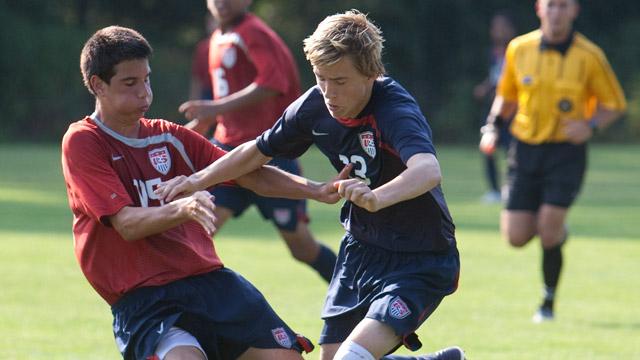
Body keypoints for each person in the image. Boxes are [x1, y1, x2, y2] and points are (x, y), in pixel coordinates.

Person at [157, 10, 465, 360]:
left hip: (419, 256)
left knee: (351, 358)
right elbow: (255, 152)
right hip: (361, 248)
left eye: (340, 81)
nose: (329, 92)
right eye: (321, 78)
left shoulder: (394, 108)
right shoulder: (314, 105)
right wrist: (197, 179)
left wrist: (377, 197)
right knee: (333, 357)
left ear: (370, 74)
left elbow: (427, 170)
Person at [61, 25, 348, 360]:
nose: (145, 93)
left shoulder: (170, 137)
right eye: (130, 83)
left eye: (147, 79)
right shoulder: (84, 140)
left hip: (211, 283)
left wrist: (317, 189)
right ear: (98, 85)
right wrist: (183, 208)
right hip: (148, 298)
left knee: (285, 357)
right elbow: (127, 224)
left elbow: (248, 175)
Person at [479, 0, 627, 323]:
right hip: (525, 148)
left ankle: (547, 302)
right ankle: (557, 231)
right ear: (539, 9)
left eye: (563, 6)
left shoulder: (590, 55)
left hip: (565, 153)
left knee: (547, 229)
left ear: (574, 10)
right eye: (551, 5)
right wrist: (492, 126)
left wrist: (589, 125)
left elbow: (614, 103)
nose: (556, 12)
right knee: (516, 237)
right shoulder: (519, 48)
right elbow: (507, 94)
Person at [178, 0, 337, 283]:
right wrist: (208, 121)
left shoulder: (253, 32)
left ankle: (357, 292)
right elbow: (231, 97)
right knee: (197, 233)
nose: (222, 2)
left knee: (301, 247)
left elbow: (272, 82)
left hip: (269, 152)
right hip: (226, 153)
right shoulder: (217, 38)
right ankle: (178, 313)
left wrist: (215, 108)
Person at [472, 11, 516, 204]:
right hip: (493, 109)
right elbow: (495, 77)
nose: (497, 30)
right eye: (495, 26)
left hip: (512, 110)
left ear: (511, 29)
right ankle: (494, 190)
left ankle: (512, 187)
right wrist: (485, 87)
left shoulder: (517, 50)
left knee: (512, 151)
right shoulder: (493, 52)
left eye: (502, 26)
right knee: (488, 147)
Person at [189, 13, 217, 101]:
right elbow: (197, 77)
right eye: (211, 22)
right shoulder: (202, 47)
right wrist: (194, 99)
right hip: (207, 92)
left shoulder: (230, 46)